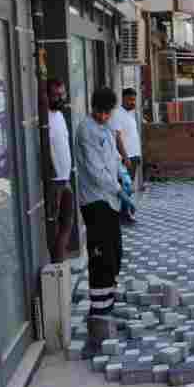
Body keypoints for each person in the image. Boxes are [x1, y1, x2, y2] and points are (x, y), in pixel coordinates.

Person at [75, 88, 123, 315]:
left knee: (114, 251)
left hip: (110, 199)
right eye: (100, 112)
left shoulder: (105, 128)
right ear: (93, 107)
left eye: (108, 113)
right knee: (101, 255)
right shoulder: (86, 130)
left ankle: (110, 299)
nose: (104, 116)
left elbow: (113, 158)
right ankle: (100, 310)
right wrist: (117, 188)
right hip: (95, 201)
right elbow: (95, 171)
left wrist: (121, 172)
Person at [45, 78, 75, 263]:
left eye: (62, 94)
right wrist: (53, 175)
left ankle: (61, 262)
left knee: (68, 222)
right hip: (55, 181)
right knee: (55, 225)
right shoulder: (45, 117)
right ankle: (56, 265)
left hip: (66, 179)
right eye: (55, 95)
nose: (60, 98)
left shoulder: (59, 115)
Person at [110, 87, 144, 198]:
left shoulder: (130, 114)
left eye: (134, 100)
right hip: (126, 159)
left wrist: (138, 156)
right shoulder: (117, 114)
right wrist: (125, 158)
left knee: (128, 188)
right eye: (130, 100)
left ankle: (127, 213)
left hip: (133, 157)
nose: (133, 103)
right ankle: (123, 213)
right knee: (124, 188)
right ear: (123, 99)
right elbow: (117, 138)